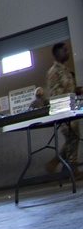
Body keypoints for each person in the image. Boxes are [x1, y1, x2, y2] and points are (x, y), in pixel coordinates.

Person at [45, 41, 79, 173]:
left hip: (72, 110)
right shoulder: (53, 72)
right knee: (72, 137)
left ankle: (62, 166)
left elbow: (67, 88)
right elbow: (55, 95)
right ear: (58, 53)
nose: (68, 52)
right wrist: (73, 92)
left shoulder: (66, 71)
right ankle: (71, 170)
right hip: (62, 111)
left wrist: (75, 90)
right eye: (65, 50)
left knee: (74, 138)